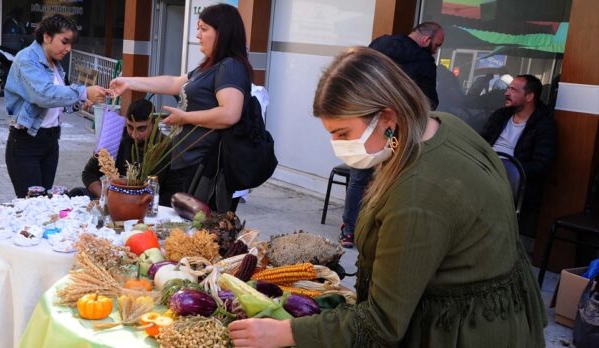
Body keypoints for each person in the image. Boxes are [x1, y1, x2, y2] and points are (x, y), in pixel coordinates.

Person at [228, 47, 546, 347]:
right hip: (501, 316)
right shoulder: (442, 125)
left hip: (465, 333)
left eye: (342, 133)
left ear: (388, 119)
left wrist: (287, 333)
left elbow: (381, 325)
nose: (336, 145)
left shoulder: (417, 195)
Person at [108, 3, 252, 213]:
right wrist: (129, 82)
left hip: (204, 167)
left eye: (204, 29)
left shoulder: (230, 67)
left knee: (195, 230)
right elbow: (175, 83)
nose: (198, 35)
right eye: (198, 28)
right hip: (187, 162)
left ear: (223, 32)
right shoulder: (209, 66)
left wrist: (185, 118)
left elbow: (229, 114)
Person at [337, 22, 445, 248]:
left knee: (359, 178)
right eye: (436, 45)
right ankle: (375, 230)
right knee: (389, 178)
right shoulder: (425, 62)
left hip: (364, 121)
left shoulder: (380, 44)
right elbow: (430, 101)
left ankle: (349, 230)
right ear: (426, 40)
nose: (436, 50)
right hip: (396, 127)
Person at [4, 14, 107, 198]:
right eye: (64, 41)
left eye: (71, 44)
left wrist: (79, 103)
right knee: (32, 206)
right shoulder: (27, 58)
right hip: (26, 142)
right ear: (47, 37)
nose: (68, 49)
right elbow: (43, 95)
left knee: (45, 204)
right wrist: (84, 92)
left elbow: (56, 103)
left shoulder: (55, 64)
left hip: (50, 142)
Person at [480, 74, 557, 238]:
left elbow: (541, 165)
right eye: (508, 88)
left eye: (513, 90)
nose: (506, 93)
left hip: (510, 181)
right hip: (485, 171)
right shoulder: (500, 115)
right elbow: (479, 144)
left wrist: (506, 168)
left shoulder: (544, 125)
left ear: (529, 96)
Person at [68, 98, 170, 203]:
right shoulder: (116, 139)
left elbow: (173, 191)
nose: (134, 135)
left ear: (155, 123)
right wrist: (107, 199)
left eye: (141, 129)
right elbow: (89, 173)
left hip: (151, 206)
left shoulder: (167, 147)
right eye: (130, 127)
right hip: (116, 202)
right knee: (75, 195)